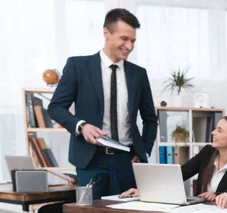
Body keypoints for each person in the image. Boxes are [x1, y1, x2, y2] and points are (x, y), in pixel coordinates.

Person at [48, 8, 158, 202]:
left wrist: (143, 152)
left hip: (127, 161)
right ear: (106, 33)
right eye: (124, 39)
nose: (129, 46)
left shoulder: (138, 75)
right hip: (91, 161)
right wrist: (81, 126)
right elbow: (56, 107)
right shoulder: (78, 67)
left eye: (133, 41)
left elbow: (150, 119)